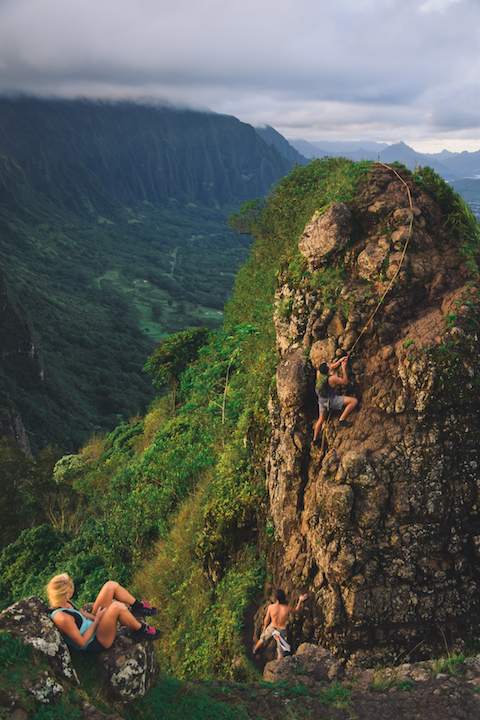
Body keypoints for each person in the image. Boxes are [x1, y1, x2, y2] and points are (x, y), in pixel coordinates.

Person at [47, 573, 161, 655]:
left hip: (95, 626)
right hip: (95, 641)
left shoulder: (61, 602)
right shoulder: (61, 618)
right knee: (116, 607)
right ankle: (141, 630)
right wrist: (97, 621)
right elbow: (81, 642)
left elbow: (78, 613)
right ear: (66, 595)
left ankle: (138, 606)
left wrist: (97, 618)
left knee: (110, 585)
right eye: (71, 589)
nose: (73, 588)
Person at [313, 355, 357, 443]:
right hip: (331, 401)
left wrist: (339, 362)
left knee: (321, 420)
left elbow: (331, 367)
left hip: (321, 401)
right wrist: (343, 368)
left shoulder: (319, 373)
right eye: (329, 365)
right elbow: (345, 382)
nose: (331, 365)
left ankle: (315, 440)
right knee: (354, 401)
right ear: (329, 371)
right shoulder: (332, 379)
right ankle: (342, 419)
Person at [253, 589, 308, 659]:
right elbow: (297, 611)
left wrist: (264, 627)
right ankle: (279, 666)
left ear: (276, 598)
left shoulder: (271, 607)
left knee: (263, 639)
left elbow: (266, 619)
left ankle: (255, 650)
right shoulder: (287, 608)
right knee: (280, 651)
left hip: (272, 627)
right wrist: (300, 600)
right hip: (281, 631)